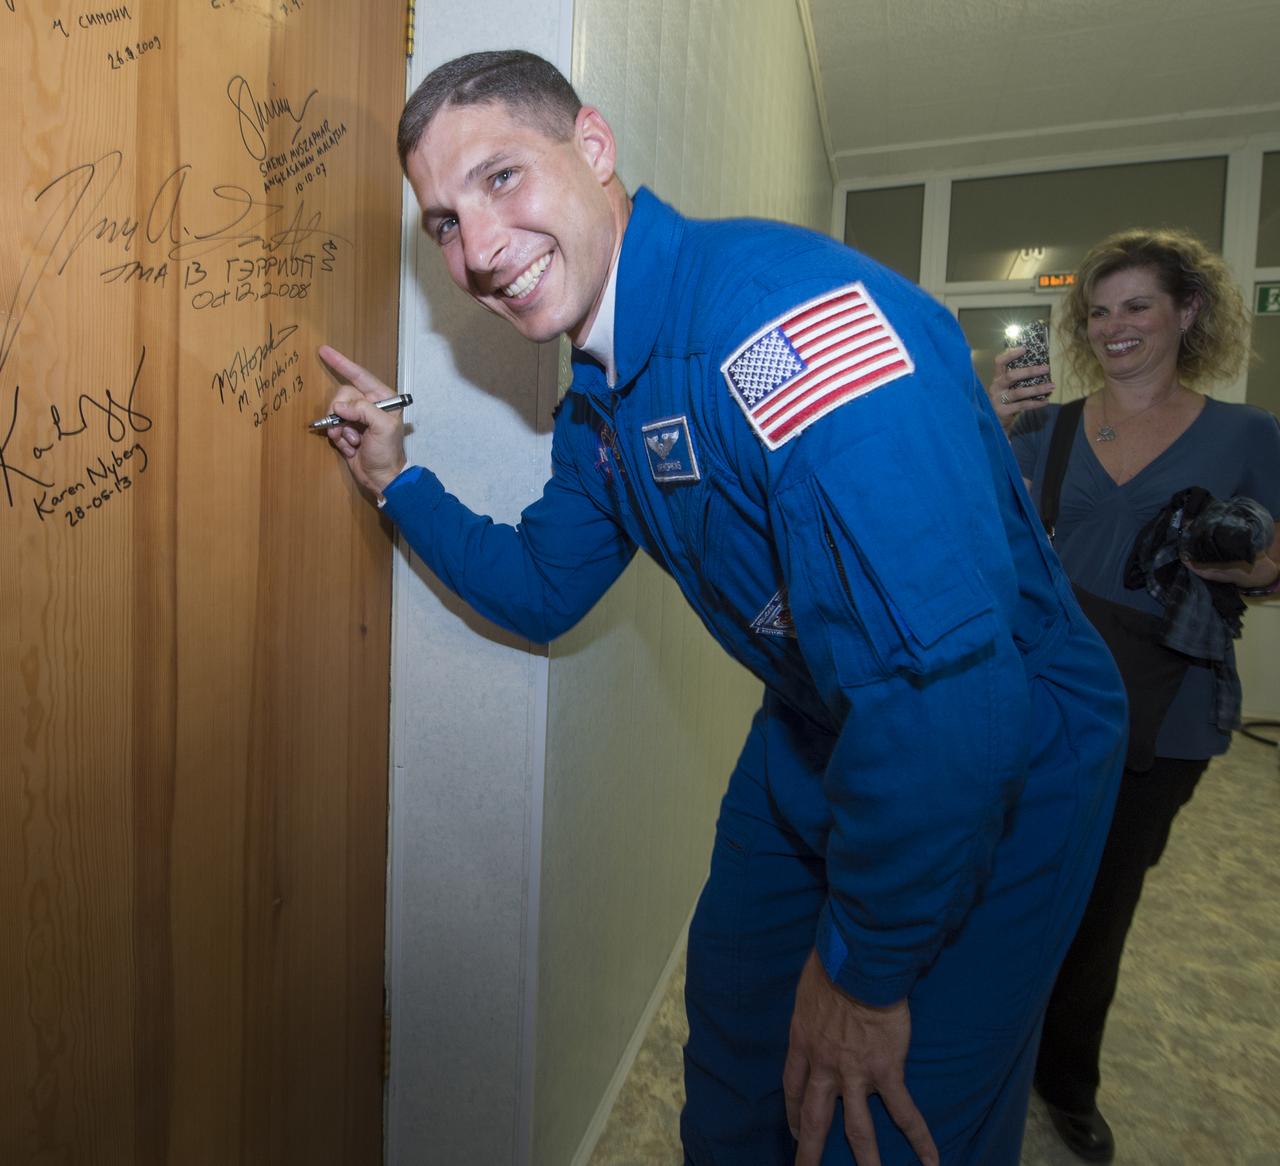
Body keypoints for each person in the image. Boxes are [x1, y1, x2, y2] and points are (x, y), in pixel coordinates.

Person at [321, 50, 1126, 1166]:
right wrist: (396, 479)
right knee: (739, 1066)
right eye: (445, 223)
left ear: (592, 146)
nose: (479, 248)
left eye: (502, 178)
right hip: (817, 724)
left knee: (888, 1116)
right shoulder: (600, 397)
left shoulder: (781, 328)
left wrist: (865, 975)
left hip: (996, 746)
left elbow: (942, 700)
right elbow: (544, 588)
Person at [988, 227, 1280, 1163]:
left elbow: (1275, 566)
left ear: (1187, 312)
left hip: (1167, 705)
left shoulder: (1248, 435)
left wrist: (1250, 569)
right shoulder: (1049, 428)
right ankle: (986, 1053)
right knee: (1011, 882)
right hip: (1050, 694)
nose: (1115, 326)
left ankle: (1066, 1079)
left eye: (1137, 305)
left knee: (1104, 900)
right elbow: (975, 522)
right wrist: (987, 420)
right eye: (1099, 311)